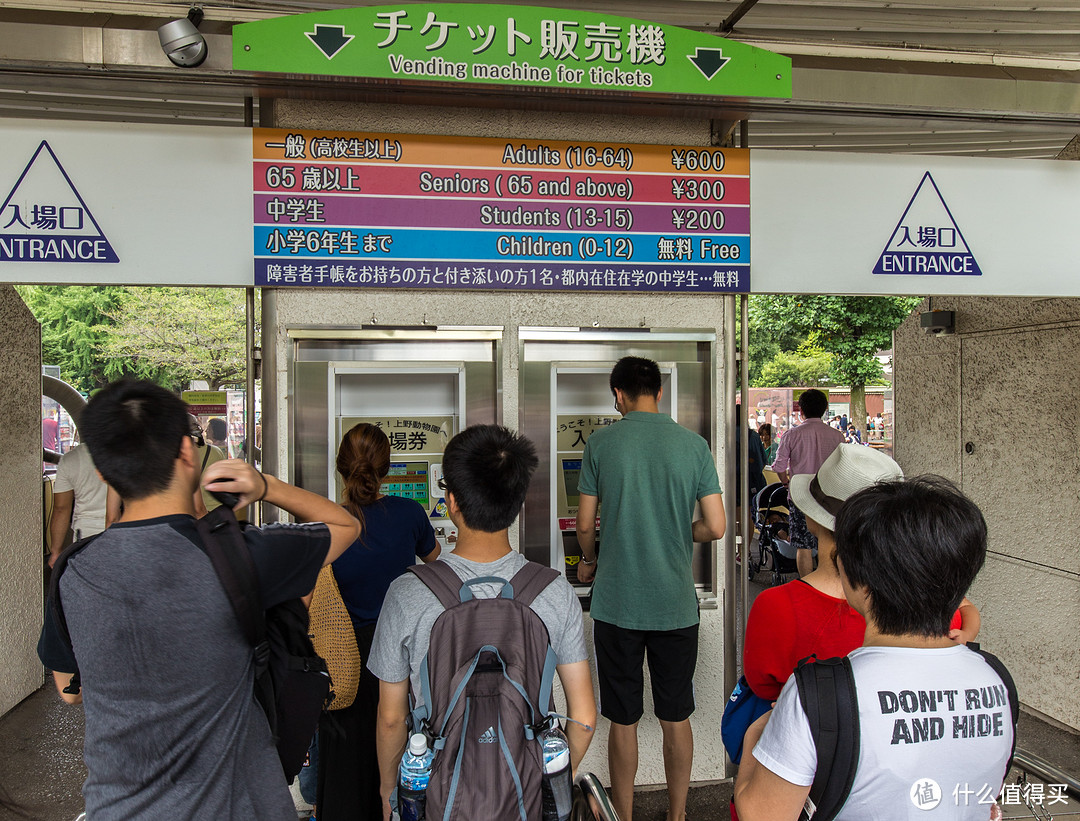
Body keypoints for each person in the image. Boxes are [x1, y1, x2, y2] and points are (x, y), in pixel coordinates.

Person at [36, 378, 361, 820]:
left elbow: (68, 691)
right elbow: (345, 527)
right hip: (242, 805)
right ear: (188, 454)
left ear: (102, 472)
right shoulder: (241, 553)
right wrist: (264, 485)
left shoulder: (73, 571)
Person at [735, 476, 1013, 820]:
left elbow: (760, 814)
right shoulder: (996, 679)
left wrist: (755, 734)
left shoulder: (818, 694)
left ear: (856, 576)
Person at [370, 424, 596, 821]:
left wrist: (392, 792)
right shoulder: (553, 591)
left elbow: (391, 719)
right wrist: (548, 783)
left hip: (439, 797)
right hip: (524, 797)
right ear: (519, 501)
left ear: (451, 500)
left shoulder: (406, 592)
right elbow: (585, 718)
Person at [575, 356, 725, 821]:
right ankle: (678, 815)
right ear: (659, 393)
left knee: (623, 718)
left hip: (617, 604)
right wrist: (681, 531)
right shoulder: (693, 445)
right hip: (676, 606)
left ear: (618, 395)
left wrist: (589, 560)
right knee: (674, 716)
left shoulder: (601, 444)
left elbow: (584, 525)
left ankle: (623, 812)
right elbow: (716, 526)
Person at [317, 423, 441, 821]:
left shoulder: (330, 524)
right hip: (400, 659)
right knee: (401, 753)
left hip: (341, 660)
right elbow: (437, 563)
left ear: (341, 468)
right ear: (386, 469)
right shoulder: (409, 514)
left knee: (344, 765)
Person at [770, 389, 845, 577]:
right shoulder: (837, 437)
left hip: (800, 497)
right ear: (825, 409)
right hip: (829, 498)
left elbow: (779, 466)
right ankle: (828, 585)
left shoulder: (791, 435)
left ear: (801, 410)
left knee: (803, 546)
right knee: (828, 542)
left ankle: (807, 585)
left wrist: (786, 483)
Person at [47, 443, 107, 567]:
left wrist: (55, 551)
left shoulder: (70, 459)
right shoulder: (125, 453)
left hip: (85, 533)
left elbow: (61, 509)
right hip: (122, 529)